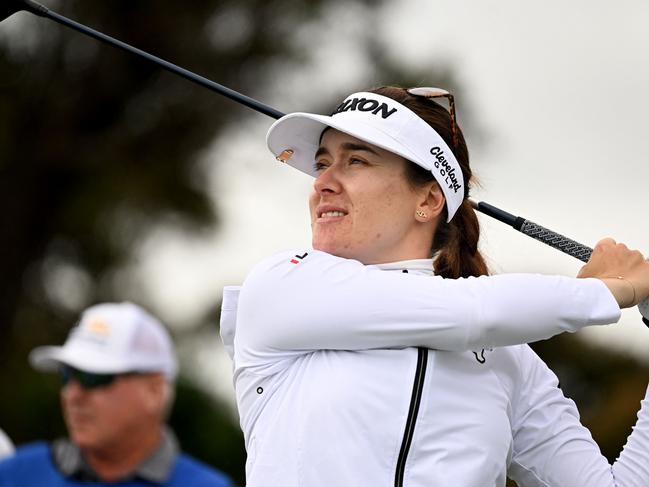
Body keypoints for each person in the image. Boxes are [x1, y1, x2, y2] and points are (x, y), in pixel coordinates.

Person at [219, 86, 649, 486]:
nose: (322, 183)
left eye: (355, 160)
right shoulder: (284, 285)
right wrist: (610, 289)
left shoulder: (508, 357)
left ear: (427, 200)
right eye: (322, 163)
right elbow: (471, 313)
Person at [0, 302, 232, 487]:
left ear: (153, 391)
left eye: (93, 377)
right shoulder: (11, 473)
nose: (72, 395)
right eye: (66, 376)